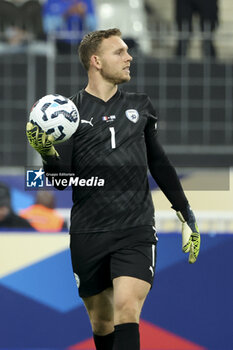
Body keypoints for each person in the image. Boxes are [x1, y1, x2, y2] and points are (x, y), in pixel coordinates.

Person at [26, 28, 201, 350]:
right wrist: (47, 153)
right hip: (89, 231)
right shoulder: (69, 114)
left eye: (127, 51)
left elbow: (159, 163)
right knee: (102, 321)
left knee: (127, 308)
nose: (128, 57)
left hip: (135, 227)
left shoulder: (141, 106)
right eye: (119, 52)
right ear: (96, 61)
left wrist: (185, 213)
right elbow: (61, 181)